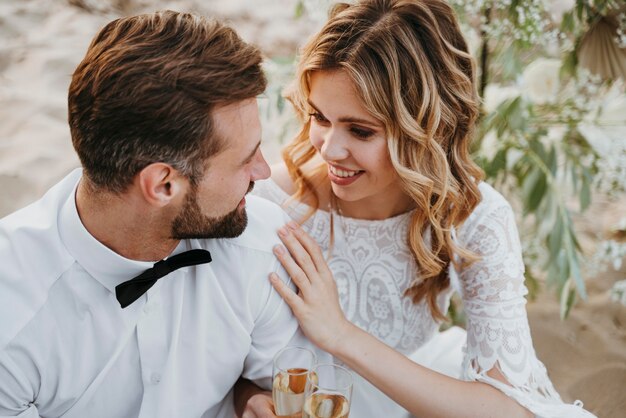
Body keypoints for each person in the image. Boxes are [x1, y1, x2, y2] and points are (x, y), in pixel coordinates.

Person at [241, 0, 598, 417]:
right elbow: (223, 352)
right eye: (320, 117)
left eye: (360, 130)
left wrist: (341, 335)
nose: (330, 149)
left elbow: (508, 409)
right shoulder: (269, 201)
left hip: (412, 395)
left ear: (427, 128)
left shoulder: (473, 217)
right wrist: (246, 398)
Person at [0, 11, 302, 418]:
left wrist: (250, 399)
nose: (264, 173)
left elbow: (271, 378)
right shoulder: (12, 315)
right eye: (244, 161)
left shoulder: (265, 249)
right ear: (162, 185)